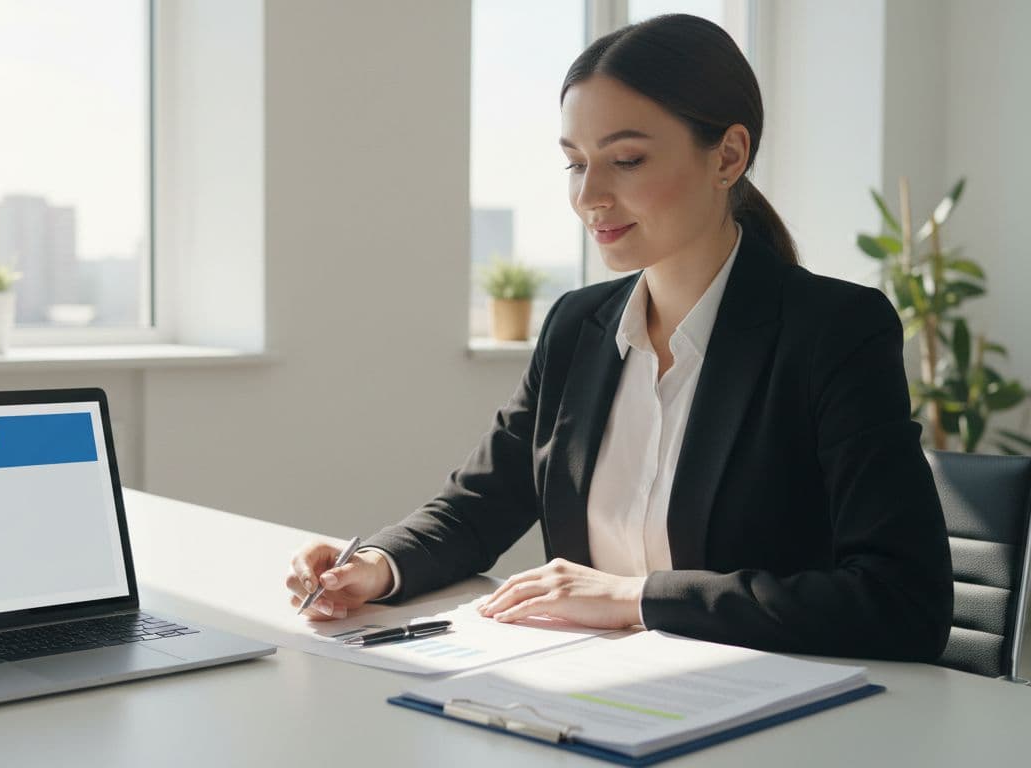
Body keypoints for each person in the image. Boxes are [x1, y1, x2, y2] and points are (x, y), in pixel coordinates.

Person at [284, 14, 953, 661]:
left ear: (728, 156)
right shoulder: (577, 327)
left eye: (626, 160)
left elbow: (903, 602)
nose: (590, 196)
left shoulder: (834, 332)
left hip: (764, 702)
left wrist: (638, 597)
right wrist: (376, 565)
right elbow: (478, 507)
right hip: (594, 690)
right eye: (576, 164)